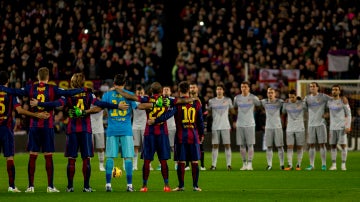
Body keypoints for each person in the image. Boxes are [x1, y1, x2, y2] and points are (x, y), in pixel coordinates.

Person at [30, 73, 123, 192]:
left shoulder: (68, 95)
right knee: (86, 159)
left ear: (73, 82)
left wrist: (40, 104)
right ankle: (86, 187)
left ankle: (70, 187)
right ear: (83, 82)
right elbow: (100, 104)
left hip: (72, 129)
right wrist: (116, 106)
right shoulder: (88, 93)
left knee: (71, 159)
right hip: (85, 129)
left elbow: (57, 104)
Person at [0, 67, 89, 193]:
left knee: (32, 156)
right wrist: (83, 89)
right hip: (47, 126)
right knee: (48, 156)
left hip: (34, 126)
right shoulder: (53, 88)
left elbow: (14, 91)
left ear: (38, 76)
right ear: (48, 77)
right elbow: (67, 94)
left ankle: (30, 186)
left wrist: (3, 88)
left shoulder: (30, 87)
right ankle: (50, 186)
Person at [117, 81, 195, 192]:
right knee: (163, 161)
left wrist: (118, 89)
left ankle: (144, 186)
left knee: (147, 161)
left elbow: (132, 98)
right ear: (161, 90)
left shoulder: (147, 99)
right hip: (163, 133)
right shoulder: (167, 100)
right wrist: (194, 99)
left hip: (149, 133)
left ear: (151, 91)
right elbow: (183, 100)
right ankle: (166, 185)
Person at [148, 81, 204, 191]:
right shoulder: (196, 103)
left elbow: (168, 115)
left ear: (179, 91)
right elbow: (200, 121)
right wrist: (201, 134)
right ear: (189, 90)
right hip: (193, 135)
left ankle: (181, 186)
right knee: (194, 161)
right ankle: (195, 186)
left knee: (181, 161)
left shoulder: (177, 103)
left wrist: (155, 120)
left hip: (180, 136)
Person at [0, 71, 49, 193]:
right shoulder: (10, 94)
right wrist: (35, 114)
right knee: (9, 157)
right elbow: (20, 111)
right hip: (6, 128)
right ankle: (11, 186)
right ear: (7, 81)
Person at [101, 74, 151, 192]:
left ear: (114, 83)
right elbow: (139, 107)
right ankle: (129, 185)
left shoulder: (107, 95)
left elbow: (102, 109)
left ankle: (108, 184)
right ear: (125, 83)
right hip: (126, 130)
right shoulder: (129, 95)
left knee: (110, 158)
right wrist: (154, 104)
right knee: (128, 158)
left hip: (112, 130)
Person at [233, 81, 261, 171]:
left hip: (250, 124)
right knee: (241, 145)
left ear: (249, 88)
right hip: (240, 124)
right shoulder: (236, 98)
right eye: (242, 87)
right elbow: (234, 108)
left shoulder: (253, 98)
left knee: (250, 144)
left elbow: (260, 105)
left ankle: (250, 163)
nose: (243, 88)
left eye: (245, 87)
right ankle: (244, 163)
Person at [304, 82, 331, 171]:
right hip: (311, 124)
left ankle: (323, 165)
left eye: (313, 86)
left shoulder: (323, 96)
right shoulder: (307, 98)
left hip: (321, 123)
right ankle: (311, 165)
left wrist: (328, 113)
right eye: (310, 86)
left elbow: (334, 102)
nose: (312, 88)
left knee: (322, 144)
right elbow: (303, 107)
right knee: (311, 145)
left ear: (317, 88)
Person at [208, 84, 235, 171]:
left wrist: (233, 120)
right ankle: (213, 165)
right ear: (216, 91)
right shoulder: (211, 101)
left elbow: (232, 112)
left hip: (225, 125)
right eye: (217, 89)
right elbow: (209, 113)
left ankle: (229, 165)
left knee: (227, 145)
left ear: (223, 91)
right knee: (215, 145)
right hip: (215, 126)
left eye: (220, 89)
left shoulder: (228, 100)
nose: (219, 91)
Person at [327, 85, 351, 171]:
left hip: (342, 127)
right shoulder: (329, 101)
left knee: (343, 146)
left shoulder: (343, 101)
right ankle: (334, 165)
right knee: (333, 146)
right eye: (333, 89)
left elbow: (348, 114)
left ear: (339, 91)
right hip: (332, 127)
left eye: (336, 90)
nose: (334, 91)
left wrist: (348, 126)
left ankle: (343, 164)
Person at [260, 87, 285, 170]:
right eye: (268, 93)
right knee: (269, 146)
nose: (270, 94)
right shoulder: (264, 102)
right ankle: (269, 165)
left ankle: (282, 164)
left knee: (280, 146)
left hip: (277, 126)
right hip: (268, 127)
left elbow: (288, 105)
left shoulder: (280, 102)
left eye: (271, 93)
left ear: (275, 94)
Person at [282, 90, 306, 170]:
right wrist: (285, 103)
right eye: (290, 97)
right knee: (289, 147)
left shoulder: (301, 103)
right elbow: (283, 112)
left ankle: (298, 165)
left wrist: (302, 100)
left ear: (296, 96)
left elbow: (307, 107)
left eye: (293, 97)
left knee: (299, 147)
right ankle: (290, 165)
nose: (291, 99)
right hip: (290, 127)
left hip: (300, 128)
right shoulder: (287, 103)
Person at [189, 82, 206, 170]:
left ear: (197, 89)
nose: (192, 89)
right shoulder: (186, 99)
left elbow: (205, 113)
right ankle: (187, 165)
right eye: (191, 87)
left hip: (198, 125)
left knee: (200, 144)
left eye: (193, 87)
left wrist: (203, 127)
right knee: (188, 144)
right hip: (189, 125)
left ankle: (202, 165)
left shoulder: (202, 99)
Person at [132, 86, 147, 171]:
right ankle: (135, 165)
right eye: (138, 93)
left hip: (145, 126)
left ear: (144, 93)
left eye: (141, 93)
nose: (140, 95)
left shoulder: (147, 100)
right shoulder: (133, 102)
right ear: (136, 94)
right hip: (135, 126)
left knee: (146, 146)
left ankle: (148, 165)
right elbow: (139, 107)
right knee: (135, 146)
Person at [162, 86, 177, 170]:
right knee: (163, 146)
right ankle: (163, 164)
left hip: (172, 127)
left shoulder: (174, 100)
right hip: (162, 127)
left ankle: (176, 163)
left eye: (167, 89)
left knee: (173, 147)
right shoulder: (159, 100)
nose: (166, 91)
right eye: (164, 89)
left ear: (170, 92)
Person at [90, 91, 106, 171]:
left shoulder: (101, 104)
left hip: (99, 129)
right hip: (89, 129)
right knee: (89, 148)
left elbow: (97, 110)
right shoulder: (88, 104)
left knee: (101, 148)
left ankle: (101, 165)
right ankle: (88, 164)